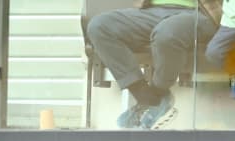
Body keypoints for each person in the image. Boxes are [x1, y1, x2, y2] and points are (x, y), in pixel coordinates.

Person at [86, 1, 220, 129]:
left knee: (167, 33)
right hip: (151, 12)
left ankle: (158, 92)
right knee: (99, 26)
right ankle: (147, 98)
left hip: (199, 12)